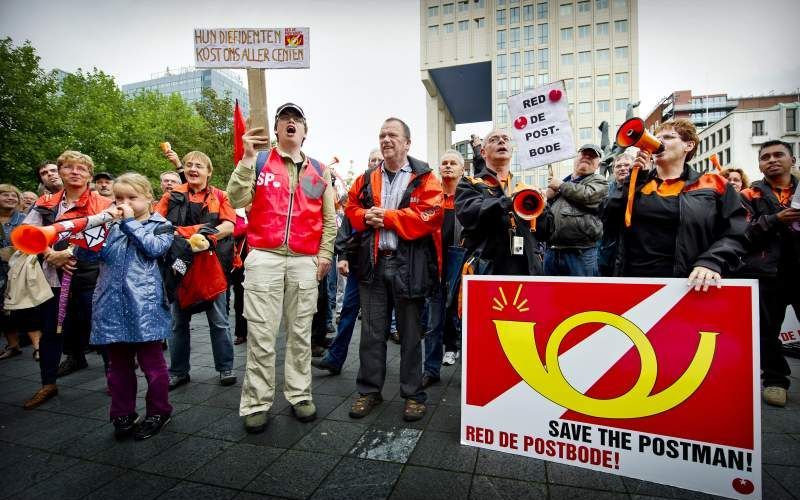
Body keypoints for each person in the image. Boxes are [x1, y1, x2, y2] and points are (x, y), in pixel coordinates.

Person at [227, 102, 336, 433]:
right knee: (261, 334)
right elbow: (235, 199)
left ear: (305, 131)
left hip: (305, 260)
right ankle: (256, 402)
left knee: (301, 333)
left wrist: (325, 254)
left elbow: (328, 219)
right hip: (264, 257)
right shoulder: (259, 161)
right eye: (285, 119)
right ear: (276, 129)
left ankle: (299, 395)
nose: (291, 123)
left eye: (297, 119)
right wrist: (247, 159)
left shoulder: (319, 170)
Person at [345, 117, 443, 422]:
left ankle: (413, 395)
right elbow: (350, 210)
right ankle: (369, 391)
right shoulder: (364, 178)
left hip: (409, 267)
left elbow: (431, 214)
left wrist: (387, 218)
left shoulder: (426, 176)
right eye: (382, 135)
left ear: (407, 143)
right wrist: (365, 216)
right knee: (372, 334)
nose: (386, 139)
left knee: (411, 335)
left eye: (393, 135)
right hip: (373, 265)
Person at [601, 118, 747, 289]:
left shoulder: (714, 184)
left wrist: (711, 261)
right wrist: (633, 182)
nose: (658, 141)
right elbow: (608, 219)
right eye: (656, 137)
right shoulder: (637, 182)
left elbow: (737, 231)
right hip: (636, 283)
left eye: (669, 137)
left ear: (689, 145)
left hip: (690, 284)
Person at [22, 150, 113, 409]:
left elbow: (109, 237)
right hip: (53, 278)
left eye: (81, 168)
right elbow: (29, 234)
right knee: (52, 331)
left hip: (92, 275)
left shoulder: (103, 204)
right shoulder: (46, 202)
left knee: (101, 328)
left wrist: (70, 252)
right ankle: (47, 384)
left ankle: (114, 379)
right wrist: (49, 253)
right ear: (60, 171)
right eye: (69, 167)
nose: (75, 171)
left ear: (89, 175)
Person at [90, 173, 174, 440]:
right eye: (118, 198)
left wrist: (127, 222)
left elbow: (153, 248)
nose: (123, 203)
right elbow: (89, 255)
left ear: (149, 198)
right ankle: (122, 413)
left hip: (144, 307)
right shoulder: (110, 227)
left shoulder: (161, 225)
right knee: (117, 368)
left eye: (131, 197)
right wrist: (87, 234)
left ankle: (159, 411)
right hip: (111, 304)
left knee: (154, 366)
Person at [154, 150, 237, 390]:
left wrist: (195, 234)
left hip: (211, 269)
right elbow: (157, 226)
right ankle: (179, 372)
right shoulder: (170, 197)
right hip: (178, 268)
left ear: (208, 172)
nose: (193, 169)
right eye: (189, 165)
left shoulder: (221, 196)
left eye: (199, 166)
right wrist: (198, 232)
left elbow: (229, 226)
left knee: (219, 322)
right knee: (177, 324)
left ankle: (225, 368)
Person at [739, 140, 800, 407]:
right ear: (759, 164)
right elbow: (741, 233)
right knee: (765, 331)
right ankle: (775, 381)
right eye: (766, 157)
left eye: (778, 155)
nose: (772, 160)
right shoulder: (748, 196)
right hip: (766, 273)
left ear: (792, 160)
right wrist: (775, 220)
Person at [312, 149, 383, 376]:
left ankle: (376, 366)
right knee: (348, 313)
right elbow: (346, 226)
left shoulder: (394, 186)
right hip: (358, 264)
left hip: (384, 264)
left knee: (378, 320)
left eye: (379, 160)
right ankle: (335, 358)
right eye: (372, 159)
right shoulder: (360, 187)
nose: (375, 163)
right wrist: (342, 257)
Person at [457, 129, 552, 277]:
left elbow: (546, 232)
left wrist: (543, 207)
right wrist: (508, 202)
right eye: (494, 139)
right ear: (482, 152)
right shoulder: (470, 183)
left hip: (527, 271)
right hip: (487, 271)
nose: (501, 141)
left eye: (506, 139)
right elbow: (469, 213)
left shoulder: (526, 190)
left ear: (511, 151)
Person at [422, 150, 465, 388]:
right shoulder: (432, 197)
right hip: (436, 264)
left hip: (463, 264)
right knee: (433, 320)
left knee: (463, 318)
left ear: (462, 169)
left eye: (453, 163)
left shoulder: (469, 196)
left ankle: (472, 371)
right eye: (444, 163)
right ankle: (431, 369)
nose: (448, 166)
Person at [544, 144, 609, 277]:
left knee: (583, 296)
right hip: (552, 251)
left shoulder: (600, 181)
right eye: (584, 154)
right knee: (551, 296)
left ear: (598, 165)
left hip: (581, 253)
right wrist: (546, 198)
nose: (587, 157)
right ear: (576, 158)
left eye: (592, 156)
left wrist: (561, 186)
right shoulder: (562, 183)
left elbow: (588, 195)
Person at [0, 184, 28, 360]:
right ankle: (13, 344)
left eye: (14, 196)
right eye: (5, 195)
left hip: (20, 268)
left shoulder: (25, 219)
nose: (10, 198)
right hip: (0, 272)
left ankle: (38, 346)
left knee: (30, 307)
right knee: (2, 310)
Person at [598, 153, 634, 277]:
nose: (623, 168)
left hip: (634, 248)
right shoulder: (605, 190)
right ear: (613, 170)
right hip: (609, 248)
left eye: (627, 165)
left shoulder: (643, 186)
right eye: (618, 166)